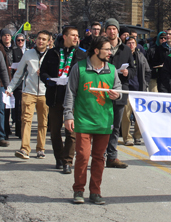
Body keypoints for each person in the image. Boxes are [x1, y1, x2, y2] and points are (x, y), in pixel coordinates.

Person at [64, 36, 122, 205]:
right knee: (82, 155)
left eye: (110, 50)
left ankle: (95, 192)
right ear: (96, 51)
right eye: (107, 49)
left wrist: (116, 94)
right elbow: (70, 92)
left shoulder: (112, 70)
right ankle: (78, 190)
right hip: (83, 119)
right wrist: (68, 115)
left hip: (104, 120)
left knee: (99, 157)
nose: (110, 53)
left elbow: (118, 90)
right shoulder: (79, 68)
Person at [40, 26, 87, 174]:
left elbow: (86, 74)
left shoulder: (81, 54)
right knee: (54, 131)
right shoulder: (52, 53)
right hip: (55, 96)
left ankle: (68, 161)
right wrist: (48, 79)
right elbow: (43, 72)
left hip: (73, 98)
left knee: (71, 132)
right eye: (73, 35)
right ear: (65, 37)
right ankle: (59, 158)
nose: (75, 38)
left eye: (77, 35)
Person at [7, 30, 51, 160]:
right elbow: (19, 73)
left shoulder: (51, 55)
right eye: (39, 38)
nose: (41, 41)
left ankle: (40, 148)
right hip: (29, 91)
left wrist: (45, 73)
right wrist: (10, 88)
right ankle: (25, 148)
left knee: (43, 122)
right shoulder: (28, 54)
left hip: (44, 92)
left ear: (48, 42)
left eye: (44, 39)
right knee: (26, 120)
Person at [104, 18, 136, 168]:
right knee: (103, 125)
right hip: (103, 90)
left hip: (120, 90)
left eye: (114, 29)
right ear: (106, 31)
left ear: (118, 31)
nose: (112, 31)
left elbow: (134, 70)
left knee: (115, 126)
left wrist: (127, 72)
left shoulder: (126, 49)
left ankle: (112, 156)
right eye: (109, 28)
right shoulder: (101, 47)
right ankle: (100, 155)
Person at [121, 36, 150, 146]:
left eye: (133, 43)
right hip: (127, 89)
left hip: (139, 89)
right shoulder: (123, 56)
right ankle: (127, 137)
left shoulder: (140, 56)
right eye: (129, 43)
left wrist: (145, 83)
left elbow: (147, 71)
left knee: (139, 115)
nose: (131, 45)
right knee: (126, 116)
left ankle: (137, 136)